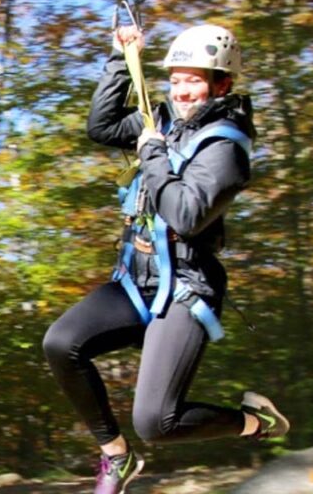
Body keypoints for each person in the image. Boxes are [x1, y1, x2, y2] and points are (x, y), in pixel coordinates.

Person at [42, 24, 290, 494]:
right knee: (61, 344)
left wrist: (153, 153)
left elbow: (186, 213)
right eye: (175, 80)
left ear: (221, 84)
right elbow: (103, 126)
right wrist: (119, 59)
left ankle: (254, 422)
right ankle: (117, 457)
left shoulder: (226, 148)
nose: (181, 90)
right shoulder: (165, 120)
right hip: (136, 280)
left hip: (186, 288)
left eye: (193, 80)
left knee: (157, 422)